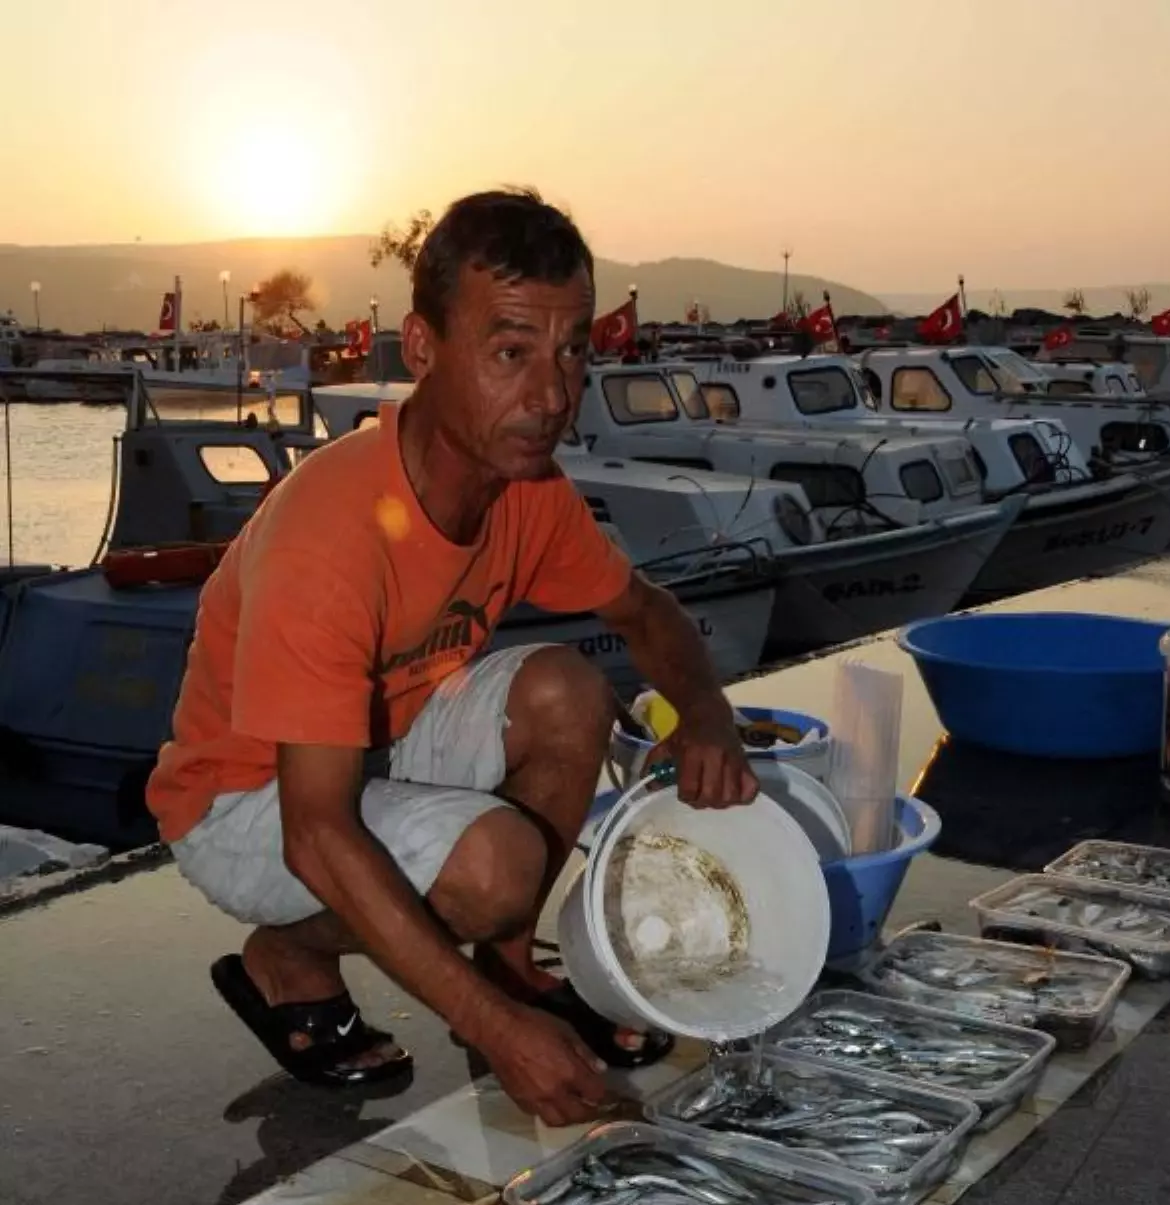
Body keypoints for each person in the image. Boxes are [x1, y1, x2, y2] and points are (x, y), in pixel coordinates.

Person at [146, 189, 757, 1129]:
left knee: (569, 688)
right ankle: (290, 956)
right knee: (495, 868)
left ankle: (507, 966)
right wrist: (498, 1036)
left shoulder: (528, 488)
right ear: (423, 350)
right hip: (246, 797)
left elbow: (647, 613)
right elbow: (316, 833)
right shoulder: (331, 533)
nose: (551, 395)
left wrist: (707, 715)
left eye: (571, 351)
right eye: (511, 352)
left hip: (381, 746)